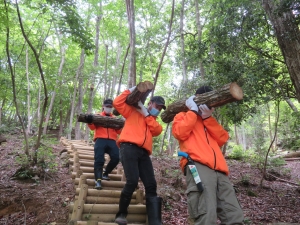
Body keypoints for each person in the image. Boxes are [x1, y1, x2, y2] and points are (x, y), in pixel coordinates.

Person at [172, 86, 244, 225]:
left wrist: (208, 118)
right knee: (205, 214)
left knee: (233, 214)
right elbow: (179, 133)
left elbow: (222, 139)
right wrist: (193, 111)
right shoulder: (182, 115)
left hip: (220, 170)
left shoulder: (209, 120)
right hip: (198, 165)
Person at [112, 86, 166, 225]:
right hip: (128, 148)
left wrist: (147, 115)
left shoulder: (154, 121)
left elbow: (157, 131)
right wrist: (131, 90)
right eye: (156, 106)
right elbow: (117, 103)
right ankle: (122, 213)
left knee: (151, 184)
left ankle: (154, 220)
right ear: (150, 103)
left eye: (160, 108)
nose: (158, 109)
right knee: (132, 181)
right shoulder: (133, 112)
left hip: (144, 153)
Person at [85, 98, 121, 190]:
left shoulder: (114, 118)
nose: (109, 108)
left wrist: (121, 125)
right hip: (100, 140)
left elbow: (118, 131)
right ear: (103, 106)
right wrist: (89, 121)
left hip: (112, 141)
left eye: (110, 107)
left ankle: (106, 173)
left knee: (117, 157)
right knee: (99, 160)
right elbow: (92, 127)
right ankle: (98, 181)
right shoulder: (97, 116)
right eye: (107, 106)